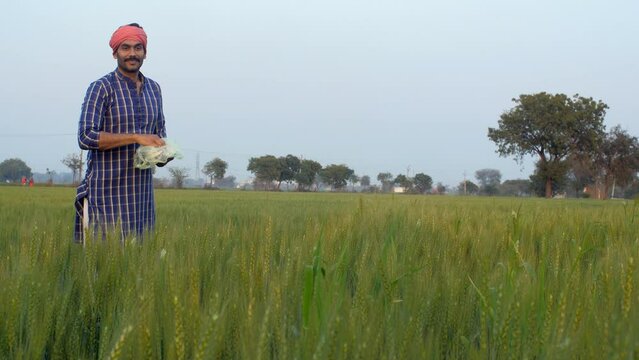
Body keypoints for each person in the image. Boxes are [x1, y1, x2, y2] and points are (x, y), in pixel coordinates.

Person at [74, 23, 168, 243]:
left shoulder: (154, 89)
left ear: (145, 52)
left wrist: (164, 153)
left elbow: (159, 133)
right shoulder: (101, 87)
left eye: (138, 47)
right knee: (102, 266)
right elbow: (85, 136)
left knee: (139, 267)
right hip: (105, 196)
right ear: (115, 52)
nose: (132, 53)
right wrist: (135, 137)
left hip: (142, 198)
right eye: (125, 48)